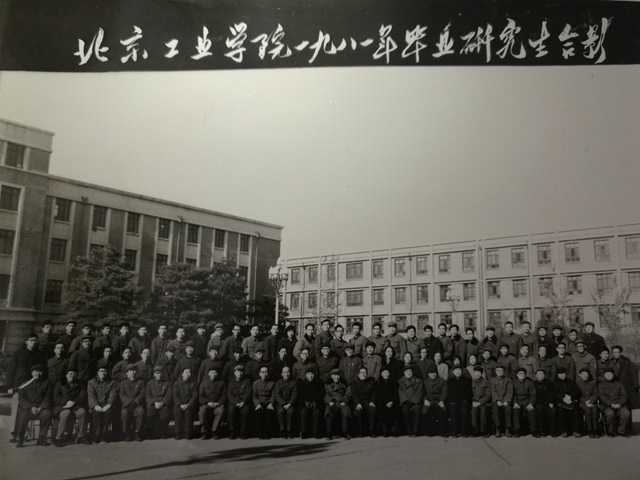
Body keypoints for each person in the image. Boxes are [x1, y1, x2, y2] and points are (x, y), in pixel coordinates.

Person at [7, 333, 46, 443]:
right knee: (16, 408)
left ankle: (23, 433)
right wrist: (10, 386)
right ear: (26, 341)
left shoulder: (40, 355)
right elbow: (11, 370)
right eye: (31, 340)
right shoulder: (18, 353)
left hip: (33, 386)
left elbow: (43, 370)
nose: (33, 342)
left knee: (29, 408)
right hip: (19, 386)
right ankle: (13, 433)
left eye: (35, 340)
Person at [15, 364, 52, 448]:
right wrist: (31, 407)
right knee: (23, 416)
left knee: (47, 415)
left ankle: (41, 438)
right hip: (28, 408)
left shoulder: (47, 383)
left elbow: (48, 397)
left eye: (40, 372)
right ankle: (20, 439)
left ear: (43, 373)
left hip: (41, 408)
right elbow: (22, 398)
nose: (37, 374)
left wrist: (41, 407)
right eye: (35, 372)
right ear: (32, 373)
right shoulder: (25, 384)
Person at [53, 368, 88, 446]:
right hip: (63, 406)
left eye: (74, 374)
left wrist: (74, 402)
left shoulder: (80, 384)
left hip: (75, 405)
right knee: (66, 413)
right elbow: (56, 397)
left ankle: (81, 436)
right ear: (66, 375)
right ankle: (59, 438)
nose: (72, 376)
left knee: (82, 412)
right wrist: (67, 402)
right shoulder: (59, 384)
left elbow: (83, 396)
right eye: (70, 374)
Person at [598, 367, 631, 437]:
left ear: (613, 375)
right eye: (607, 374)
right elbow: (601, 396)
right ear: (604, 375)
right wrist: (611, 404)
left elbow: (624, 395)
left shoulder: (619, 384)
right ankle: (611, 431)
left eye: (610, 374)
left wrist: (619, 404)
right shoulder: (601, 385)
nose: (609, 376)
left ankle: (621, 431)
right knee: (610, 414)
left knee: (626, 413)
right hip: (607, 406)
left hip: (619, 405)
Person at [87, 365, 117, 444]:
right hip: (96, 405)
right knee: (96, 413)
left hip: (107, 405)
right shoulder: (91, 382)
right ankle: (96, 435)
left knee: (108, 412)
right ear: (98, 372)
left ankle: (103, 435)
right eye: (101, 371)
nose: (103, 373)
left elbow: (113, 395)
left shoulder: (112, 382)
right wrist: (96, 405)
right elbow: (91, 395)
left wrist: (108, 405)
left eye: (105, 371)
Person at [198, 366, 226, 439]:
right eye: (212, 372)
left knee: (221, 410)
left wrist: (218, 403)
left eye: (215, 372)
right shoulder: (203, 383)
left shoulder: (222, 383)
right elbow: (201, 396)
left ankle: (214, 431)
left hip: (217, 405)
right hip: (207, 405)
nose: (213, 374)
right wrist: (208, 402)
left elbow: (224, 396)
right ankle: (204, 432)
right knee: (202, 410)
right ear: (209, 374)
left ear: (217, 373)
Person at [119, 365, 146, 442]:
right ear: (127, 373)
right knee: (124, 413)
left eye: (134, 370)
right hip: (126, 405)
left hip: (137, 404)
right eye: (130, 371)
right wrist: (129, 402)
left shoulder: (141, 382)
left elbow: (142, 393)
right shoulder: (123, 383)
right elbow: (122, 394)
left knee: (140, 411)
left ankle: (137, 432)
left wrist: (135, 402)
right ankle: (126, 433)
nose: (133, 372)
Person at [553, 366, 581, 438]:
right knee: (561, 412)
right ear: (558, 375)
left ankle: (575, 431)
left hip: (571, 401)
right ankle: (563, 431)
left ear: (566, 374)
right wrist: (563, 398)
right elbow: (555, 393)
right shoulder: (555, 383)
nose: (562, 375)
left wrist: (570, 396)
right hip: (561, 402)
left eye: (563, 373)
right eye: (560, 374)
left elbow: (576, 391)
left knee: (576, 411)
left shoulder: (571, 382)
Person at [297, 366, 324, 439]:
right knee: (303, 412)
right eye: (309, 374)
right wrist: (305, 402)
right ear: (306, 375)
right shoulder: (302, 383)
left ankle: (316, 432)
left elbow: (321, 394)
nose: (310, 376)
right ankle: (304, 432)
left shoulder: (319, 382)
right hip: (305, 403)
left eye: (312, 374)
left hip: (316, 403)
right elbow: (300, 396)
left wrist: (315, 401)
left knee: (316, 412)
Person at [145, 366, 172, 439]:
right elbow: (148, 396)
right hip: (153, 404)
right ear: (154, 374)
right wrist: (154, 403)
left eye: (161, 373)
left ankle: (164, 433)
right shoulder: (150, 383)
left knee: (165, 416)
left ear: (163, 374)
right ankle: (150, 433)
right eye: (157, 373)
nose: (159, 375)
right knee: (149, 415)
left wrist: (162, 403)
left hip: (164, 404)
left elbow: (169, 395)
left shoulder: (167, 383)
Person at [324, 369, 351, 440]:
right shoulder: (327, 384)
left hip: (341, 401)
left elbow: (348, 393)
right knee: (329, 411)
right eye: (335, 375)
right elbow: (325, 395)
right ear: (332, 376)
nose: (336, 377)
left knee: (346, 411)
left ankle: (345, 432)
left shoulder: (344, 384)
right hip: (332, 402)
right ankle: (329, 433)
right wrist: (330, 401)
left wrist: (344, 401)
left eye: (338, 375)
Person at [610, 345, 640, 410]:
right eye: (614, 352)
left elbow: (633, 373)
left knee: (632, 403)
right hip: (616, 386)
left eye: (617, 352)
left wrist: (636, 386)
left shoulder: (627, 361)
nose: (615, 354)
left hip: (627, 385)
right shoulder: (610, 362)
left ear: (621, 353)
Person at [227, 364, 252, 439]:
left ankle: (243, 432)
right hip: (234, 403)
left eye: (241, 371)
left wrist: (243, 402)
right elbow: (230, 395)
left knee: (246, 410)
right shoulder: (231, 383)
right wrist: (236, 403)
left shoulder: (247, 381)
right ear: (234, 373)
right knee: (231, 410)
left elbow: (248, 393)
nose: (240, 373)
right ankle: (232, 431)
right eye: (238, 371)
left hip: (245, 402)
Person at [173, 366, 198, 440]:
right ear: (182, 374)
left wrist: (188, 404)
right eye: (186, 372)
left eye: (189, 373)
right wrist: (180, 404)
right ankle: (178, 433)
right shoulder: (177, 384)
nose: (188, 374)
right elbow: (175, 395)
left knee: (189, 412)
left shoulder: (193, 384)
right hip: (179, 404)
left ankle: (188, 432)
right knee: (177, 411)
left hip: (189, 404)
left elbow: (195, 396)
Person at [351, 366, 376, 437]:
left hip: (368, 402)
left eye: (365, 373)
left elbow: (374, 393)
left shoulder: (371, 382)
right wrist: (358, 403)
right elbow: (354, 395)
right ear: (358, 374)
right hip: (359, 402)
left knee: (372, 410)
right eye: (361, 373)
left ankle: (371, 430)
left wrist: (372, 401)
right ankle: (360, 431)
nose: (363, 374)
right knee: (359, 411)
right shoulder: (354, 382)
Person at [374, 365, 399, 437]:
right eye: (384, 372)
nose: (386, 374)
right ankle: (384, 430)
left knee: (395, 411)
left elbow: (395, 393)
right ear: (381, 374)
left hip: (392, 402)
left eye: (387, 372)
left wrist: (391, 401)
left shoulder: (394, 382)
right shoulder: (377, 383)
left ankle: (394, 430)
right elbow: (378, 395)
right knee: (382, 411)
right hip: (382, 403)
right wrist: (386, 402)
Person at [447, 364, 472, 437]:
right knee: (452, 411)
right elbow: (449, 393)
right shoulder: (450, 381)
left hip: (463, 402)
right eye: (456, 370)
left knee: (464, 410)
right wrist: (452, 401)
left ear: (462, 371)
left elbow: (468, 392)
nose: (458, 372)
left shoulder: (467, 380)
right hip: (454, 402)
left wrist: (465, 401)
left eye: (459, 370)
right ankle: (454, 431)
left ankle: (464, 431)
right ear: (453, 372)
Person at [422, 366, 447, 437]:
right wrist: (425, 400)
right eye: (430, 373)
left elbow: (444, 392)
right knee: (426, 411)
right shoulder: (425, 382)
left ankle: (442, 431)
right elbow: (423, 393)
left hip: (438, 401)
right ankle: (429, 431)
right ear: (428, 374)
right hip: (429, 401)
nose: (432, 375)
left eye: (434, 373)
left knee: (442, 411)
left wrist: (442, 401)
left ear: (436, 373)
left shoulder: (442, 381)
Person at [253, 366, 276, 439]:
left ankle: (267, 432)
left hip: (268, 402)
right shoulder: (256, 383)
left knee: (269, 413)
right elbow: (254, 395)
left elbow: (273, 395)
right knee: (258, 413)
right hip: (259, 402)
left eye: (266, 372)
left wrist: (271, 403)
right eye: (262, 372)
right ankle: (260, 432)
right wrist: (258, 403)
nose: (264, 374)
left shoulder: (272, 383)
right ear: (259, 374)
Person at [490, 364, 513, 438]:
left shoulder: (508, 379)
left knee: (508, 409)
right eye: (498, 370)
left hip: (505, 400)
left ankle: (507, 429)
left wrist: (506, 400)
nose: (500, 372)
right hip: (496, 401)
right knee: (495, 409)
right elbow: (493, 391)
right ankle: (498, 429)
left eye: (501, 370)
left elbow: (509, 391)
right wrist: (497, 400)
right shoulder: (492, 380)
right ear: (495, 371)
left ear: (504, 371)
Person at [512, 368, 536, 437]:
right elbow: (512, 394)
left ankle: (534, 431)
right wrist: (515, 403)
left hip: (527, 401)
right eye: (519, 374)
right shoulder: (513, 382)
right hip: (518, 401)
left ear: (525, 375)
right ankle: (517, 431)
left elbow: (533, 394)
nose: (521, 375)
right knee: (516, 410)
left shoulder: (529, 382)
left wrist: (531, 403)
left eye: (523, 373)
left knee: (531, 410)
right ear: (517, 375)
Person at [274, 365, 298, 438]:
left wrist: (289, 404)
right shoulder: (278, 383)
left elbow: (294, 395)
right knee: (281, 411)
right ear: (282, 374)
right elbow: (277, 395)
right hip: (281, 404)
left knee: (290, 412)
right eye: (285, 372)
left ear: (290, 373)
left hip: (291, 403)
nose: (286, 374)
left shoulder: (294, 382)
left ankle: (289, 431)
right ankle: (282, 430)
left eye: (288, 372)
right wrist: (283, 404)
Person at [576, 368, 599, 439]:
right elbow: (577, 395)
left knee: (594, 410)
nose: (585, 376)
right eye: (583, 374)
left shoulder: (592, 383)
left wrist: (590, 400)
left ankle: (595, 430)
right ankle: (590, 430)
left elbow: (596, 393)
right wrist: (585, 401)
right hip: (582, 404)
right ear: (580, 375)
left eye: (586, 374)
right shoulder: (577, 384)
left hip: (592, 403)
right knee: (587, 410)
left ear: (588, 375)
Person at [532, 369, 556, 437]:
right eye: (539, 374)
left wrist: (551, 402)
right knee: (539, 410)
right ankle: (541, 431)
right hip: (538, 402)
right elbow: (533, 395)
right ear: (536, 376)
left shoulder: (548, 382)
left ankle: (552, 431)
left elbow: (551, 393)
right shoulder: (533, 383)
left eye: (543, 374)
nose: (541, 375)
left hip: (547, 402)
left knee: (553, 410)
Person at [471, 366, 491, 438]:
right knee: (474, 410)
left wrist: (480, 402)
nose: (477, 374)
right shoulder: (472, 382)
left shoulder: (486, 382)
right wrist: (473, 401)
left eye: (479, 372)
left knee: (483, 411)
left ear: (482, 373)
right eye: (476, 372)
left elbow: (488, 395)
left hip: (484, 403)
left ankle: (484, 431)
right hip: (475, 402)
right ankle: (475, 431)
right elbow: (470, 394)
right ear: (474, 373)